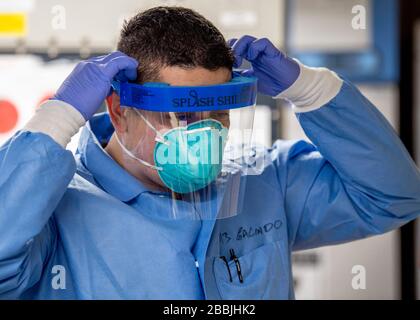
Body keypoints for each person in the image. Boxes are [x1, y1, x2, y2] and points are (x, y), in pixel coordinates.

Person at [0, 6, 419, 300]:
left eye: (217, 112)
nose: (203, 132)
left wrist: (311, 89)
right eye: (178, 115)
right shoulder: (53, 211)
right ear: (118, 109)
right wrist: (57, 118)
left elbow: (393, 196)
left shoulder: (265, 181)